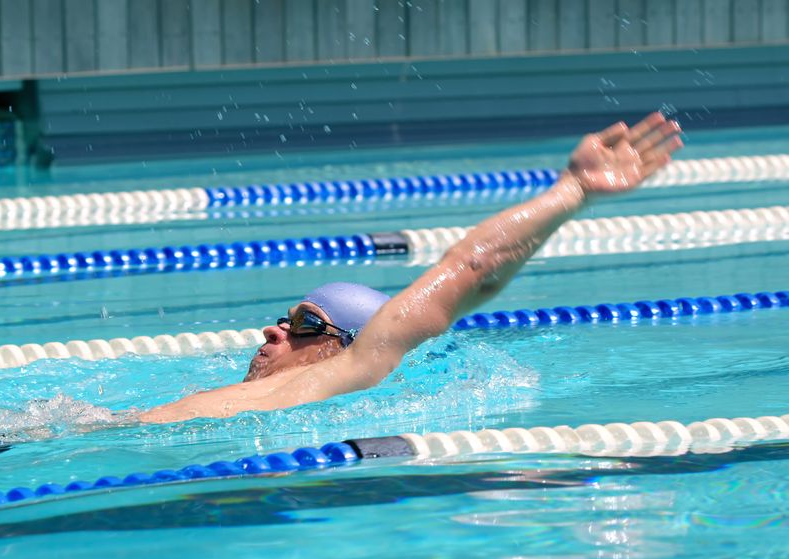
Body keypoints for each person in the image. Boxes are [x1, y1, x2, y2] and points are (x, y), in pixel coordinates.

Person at [137, 112, 683, 424]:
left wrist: (574, 190)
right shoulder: (267, 396)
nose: (273, 330)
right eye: (285, 319)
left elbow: (471, 268)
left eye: (304, 323)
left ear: (352, 343)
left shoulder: (350, 373)